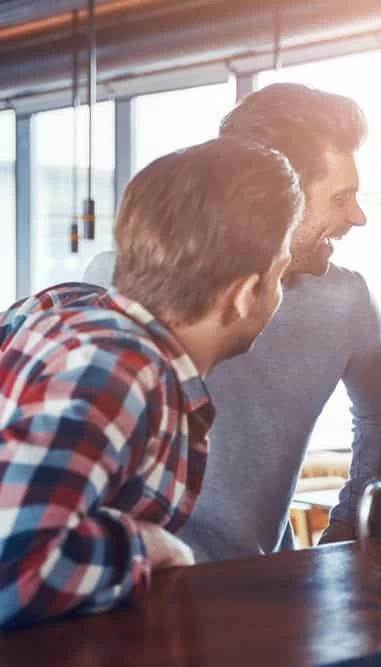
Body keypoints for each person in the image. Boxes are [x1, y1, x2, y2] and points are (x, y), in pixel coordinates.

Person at [0, 139, 302, 629]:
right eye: (281, 273)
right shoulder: (121, 371)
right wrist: (145, 546)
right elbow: (10, 572)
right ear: (246, 294)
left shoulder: (61, 309)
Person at [84, 83, 381, 557]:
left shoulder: (346, 300)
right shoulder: (118, 279)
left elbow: (380, 417)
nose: (358, 216)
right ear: (275, 193)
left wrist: (348, 531)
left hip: (266, 580)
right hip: (144, 581)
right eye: (339, 197)